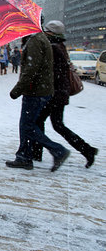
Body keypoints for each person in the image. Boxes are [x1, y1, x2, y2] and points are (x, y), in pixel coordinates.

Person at [31, 20, 98, 168]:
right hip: (59, 93)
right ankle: (86, 150)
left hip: (55, 94)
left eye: (46, 31)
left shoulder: (53, 48)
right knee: (49, 123)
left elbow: (54, 73)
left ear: (51, 33)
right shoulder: (59, 45)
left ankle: (84, 150)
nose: (44, 33)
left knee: (47, 124)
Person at [5, 31, 70, 172]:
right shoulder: (39, 38)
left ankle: (58, 150)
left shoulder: (35, 40)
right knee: (27, 125)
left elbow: (31, 69)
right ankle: (24, 157)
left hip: (35, 92)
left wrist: (17, 90)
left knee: (27, 126)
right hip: (39, 90)